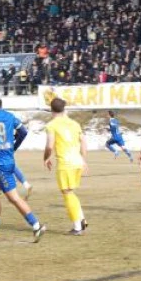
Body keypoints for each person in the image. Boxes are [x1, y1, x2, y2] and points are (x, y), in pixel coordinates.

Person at [0, 87, 44, 241]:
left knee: (14, 198)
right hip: (9, 161)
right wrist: (13, 147)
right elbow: (23, 132)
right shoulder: (8, 115)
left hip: (0, 165)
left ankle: (36, 225)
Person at [44, 97, 89, 235]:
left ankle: (77, 227)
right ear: (64, 109)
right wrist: (83, 159)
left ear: (51, 110)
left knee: (67, 193)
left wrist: (46, 158)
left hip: (66, 163)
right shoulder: (74, 123)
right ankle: (81, 220)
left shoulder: (51, 125)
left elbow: (49, 146)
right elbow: (83, 141)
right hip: (77, 162)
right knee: (71, 192)